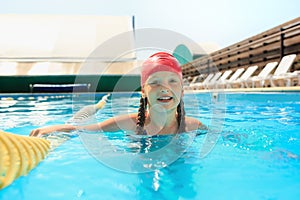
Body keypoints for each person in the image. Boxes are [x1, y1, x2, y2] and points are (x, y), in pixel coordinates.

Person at [30, 52, 207, 137]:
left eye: (172, 81)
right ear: (144, 92)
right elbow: (86, 129)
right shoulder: (129, 123)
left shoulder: (193, 125)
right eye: (155, 82)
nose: (164, 88)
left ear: (182, 91)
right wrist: (54, 128)